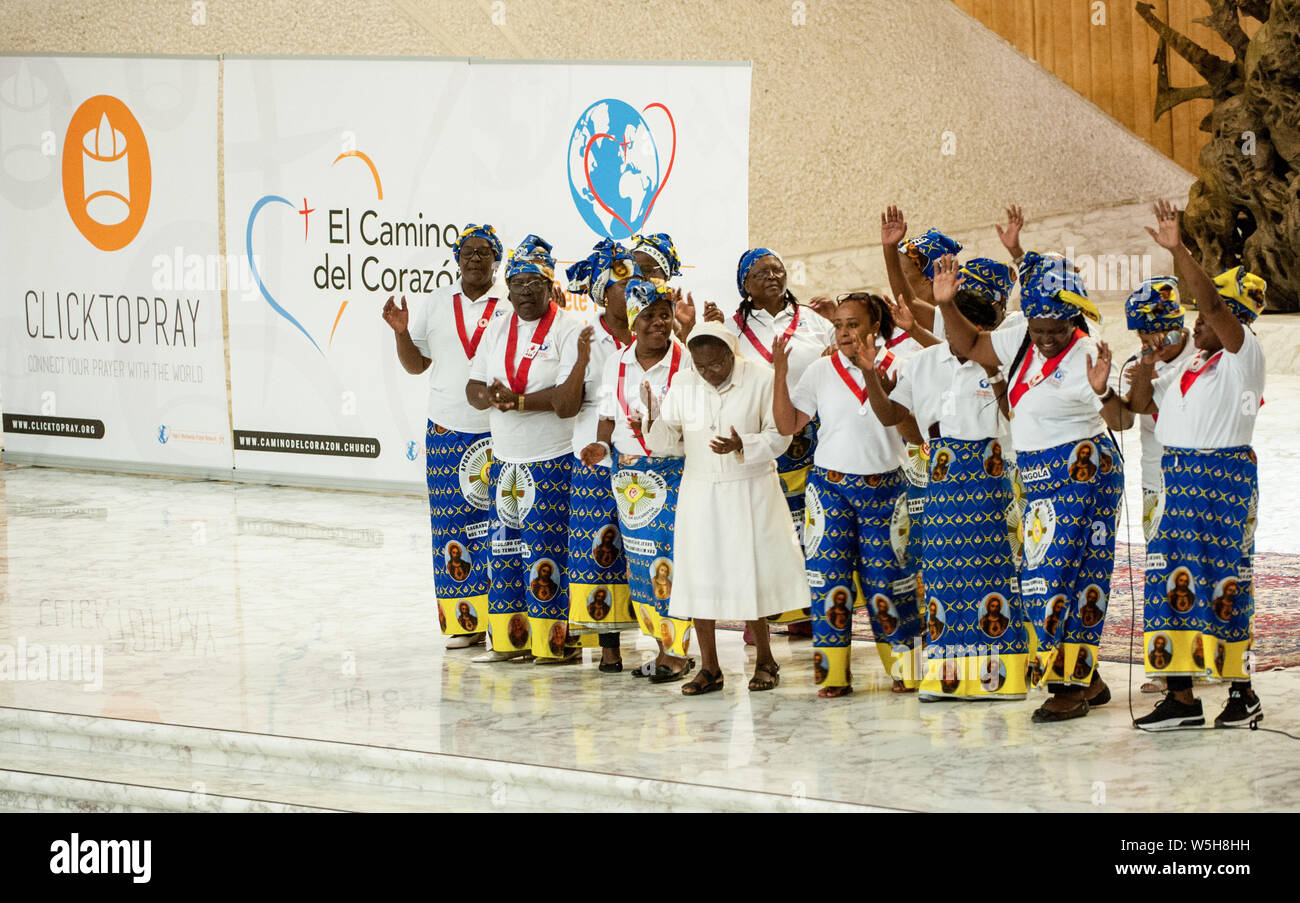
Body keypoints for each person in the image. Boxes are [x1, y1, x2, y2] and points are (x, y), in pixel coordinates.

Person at [938, 251, 1125, 721]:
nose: (1044, 339)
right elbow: (974, 346)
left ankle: (1068, 686)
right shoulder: (1020, 337)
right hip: (1037, 474)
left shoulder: (1086, 352)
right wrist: (945, 305)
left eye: (1054, 331)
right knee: (1046, 578)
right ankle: (1087, 677)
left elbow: (1120, 417)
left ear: (1074, 318)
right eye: (1038, 329)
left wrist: (1103, 390)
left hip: (1083, 471)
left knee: (1062, 579)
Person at [1126, 200, 1266, 729]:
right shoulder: (1187, 369)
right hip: (1177, 482)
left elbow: (1210, 303)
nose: (1197, 324)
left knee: (1224, 582)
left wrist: (1177, 249)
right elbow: (1135, 407)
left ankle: (1242, 693)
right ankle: (1181, 699)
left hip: (1221, 480)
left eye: (1206, 317)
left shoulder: (1241, 355)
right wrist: (1140, 367)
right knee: (1170, 581)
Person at [863, 270, 1026, 701]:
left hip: (991, 479)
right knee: (942, 577)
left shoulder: (1002, 360)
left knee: (994, 575)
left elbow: (1014, 419)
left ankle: (1003, 679)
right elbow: (888, 416)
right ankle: (945, 677)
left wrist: (994, 375)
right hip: (941, 481)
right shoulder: (922, 363)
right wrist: (868, 374)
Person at [645, 321, 810, 695]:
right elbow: (667, 442)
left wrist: (742, 445)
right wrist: (652, 414)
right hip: (700, 490)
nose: (710, 373)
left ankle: (766, 660)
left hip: (750, 487)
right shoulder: (685, 383)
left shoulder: (762, 378)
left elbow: (780, 435)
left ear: (731, 353)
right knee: (699, 576)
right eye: (701, 366)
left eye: (717, 365)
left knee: (753, 574)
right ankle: (710, 668)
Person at [773, 295, 921, 696]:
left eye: (852, 324)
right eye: (838, 324)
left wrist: (874, 376)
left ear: (875, 325)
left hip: (886, 490)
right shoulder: (822, 370)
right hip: (830, 489)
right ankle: (833, 674)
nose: (842, 332)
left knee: (891, 582)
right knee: (829, 583)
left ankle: (906, 669)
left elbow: (914, 436)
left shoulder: (902, 367)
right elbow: (788, 426)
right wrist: (780, 371)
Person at [688, 248, 836, 639]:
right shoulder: (731, 329)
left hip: (811, 437)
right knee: (770, 530)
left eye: (778, 270)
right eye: (761, 272)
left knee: (812, 525)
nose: (772, 276)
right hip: (754, 438)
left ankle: (810, 609)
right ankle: (767, 613)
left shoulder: (816, 322)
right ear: (745, 285)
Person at [383, 223, 508, 650]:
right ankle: (463, 622)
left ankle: (505, 620)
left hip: (501, 433)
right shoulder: (437, 303)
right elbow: (416, 365)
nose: (475, 258)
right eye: (467, 251)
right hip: (446, 430)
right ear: (456, 259)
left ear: (497, 259)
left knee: (503, 528)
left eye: (483, 251)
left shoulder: (511, 303)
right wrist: (401, 332)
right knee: (452, 526)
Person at [466, 234, 589, 663]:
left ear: (548, 284)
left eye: (533, 283)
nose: (523, 292)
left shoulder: (570, 330)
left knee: (546, 553)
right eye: (516, 283)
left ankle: (555, 646)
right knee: (503, 551)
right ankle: (508, 640)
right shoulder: (498, 325)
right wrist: (492, 399)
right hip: (505, 461)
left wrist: (516, 402)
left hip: (551, 459)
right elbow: (473, 386)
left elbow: (565, 401)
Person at [582, 278, 696, 682]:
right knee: (642, 565)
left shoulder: (688, 362)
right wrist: (599, 447)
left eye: (664, 314)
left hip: (675, 471)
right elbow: (609, 419)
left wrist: (658, 423)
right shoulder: (618, 363)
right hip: (628, 478)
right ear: (633, 321)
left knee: (672, 561)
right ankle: (661, 646)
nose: (658, 323)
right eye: (648, 315)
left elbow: (696, 424)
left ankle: (678, 652)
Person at [554, 240, 642, 671]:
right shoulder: (580, 335)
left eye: (638, 283)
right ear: (605, 294)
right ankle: (609, 647)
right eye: (624, 285)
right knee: (600, 548)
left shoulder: (656, 331)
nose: (633, 292)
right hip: (594, 456)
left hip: (646, 455)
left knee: (645, 547)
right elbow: (565, 405)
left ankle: (664, 641)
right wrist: (581, 360)